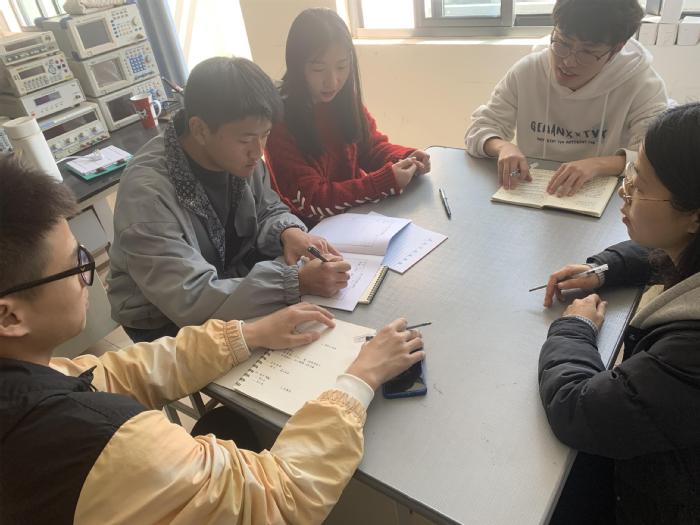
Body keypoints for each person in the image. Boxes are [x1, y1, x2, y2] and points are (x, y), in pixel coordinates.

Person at [0, 158, 426, 525]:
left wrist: (248, 333)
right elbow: (281, 496)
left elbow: (112, 373)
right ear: (10, 315)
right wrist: (359, 379)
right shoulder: (107, 442)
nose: (88, 273)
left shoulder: (26, 380)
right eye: (76, 262)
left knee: (229, 425)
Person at [108, 56, 352, 342]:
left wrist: (288, 232)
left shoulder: (240, 156)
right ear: (200, 130)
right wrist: (295, 281)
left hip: (228, 279)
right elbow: (190, 300)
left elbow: (267, 208)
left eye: (265, 135)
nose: (258, 152)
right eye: (246, 139)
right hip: (164, 319)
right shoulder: (146, 194)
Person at [538, 103, 700, 523]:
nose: (624, 194)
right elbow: (661, 251)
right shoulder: (688, 246)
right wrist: (603, 270)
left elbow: (578, 408)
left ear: (694, 215)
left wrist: (574, 328)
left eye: (639, 185)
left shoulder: (690, 351)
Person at [465, 0, 668, 197]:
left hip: (605, 198)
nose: (568, 62)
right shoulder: (528, 71)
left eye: (587, 52)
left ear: (616, 49)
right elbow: (479, 129)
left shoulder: (642, 84)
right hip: (533, 190)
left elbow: (656, 158)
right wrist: (503, 147)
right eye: (562, 43)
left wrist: (598, 165)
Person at [265, 8, 431, 226]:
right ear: (297, 65)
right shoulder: (279, 121)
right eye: (319, 69)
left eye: (342, 66)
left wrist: (405, 158)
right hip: (311, 233)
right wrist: (383, 182)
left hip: (356, 219)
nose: (332, 81)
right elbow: (313, 201)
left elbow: (371, 148)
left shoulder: (343, 100)